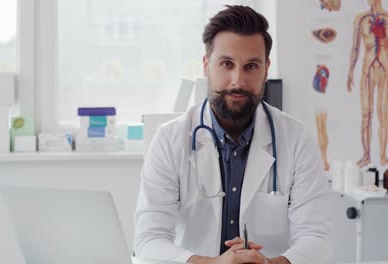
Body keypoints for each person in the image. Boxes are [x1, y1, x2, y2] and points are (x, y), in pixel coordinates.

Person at [134, 5, 332, 264]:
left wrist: (271, 263)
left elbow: (317, 238)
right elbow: (149, 241)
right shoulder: (169, 140)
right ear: (207, 65)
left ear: (266, 69)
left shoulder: (296, 139)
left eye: (251, 66)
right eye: (226, 64)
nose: (237, 80)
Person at [347, 0, 388, 168]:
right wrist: (350, 72)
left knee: (383, 113)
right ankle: (366, 155)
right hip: (367, 69)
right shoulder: (360, 19)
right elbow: (355, 48)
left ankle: (382, 156)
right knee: (366, 113)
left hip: (385, 69)